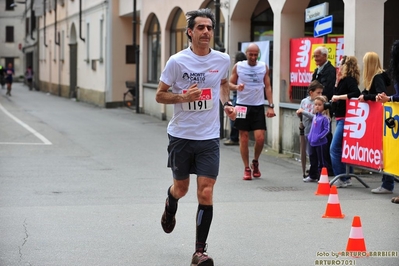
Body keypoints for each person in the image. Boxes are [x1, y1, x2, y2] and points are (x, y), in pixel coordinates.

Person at [155, 8, 235, 266]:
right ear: (190, 32)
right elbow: (159, 95)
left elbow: (222, 85)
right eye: (200, 28)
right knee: (182, 189)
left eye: (209, 28)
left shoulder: (222, 59)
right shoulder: (177, 61)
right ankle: (170, 203)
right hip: (181, 136)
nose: (206, 32)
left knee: (206, 191)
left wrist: (228, 104)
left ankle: (199, 252)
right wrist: (182, 97)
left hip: (209, 137)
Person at [229, 43, 276, 180]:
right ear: (246, 53)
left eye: (256, 55)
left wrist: (271, 105)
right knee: (243, 138)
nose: (254, 57)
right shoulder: (239, 66)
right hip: (242, 106)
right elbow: (229, 84)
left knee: (260, 138)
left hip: (258, 106)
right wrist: (238, 86)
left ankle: (255, 161)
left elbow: (267, 87)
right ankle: (246, 168)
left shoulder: (263, 67)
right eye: (251, 54)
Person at [357, 52, 394, 195]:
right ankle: (387, 182)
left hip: (381, 118)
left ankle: (387, 183)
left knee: (385, 151)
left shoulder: (377, 77)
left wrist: (365, 96)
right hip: (379, 118)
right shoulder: (375, 77)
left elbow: (380, 96)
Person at [330, 56, 361, 188]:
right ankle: (346, 176)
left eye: (341, 64)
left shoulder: (349, 80)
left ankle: (342, 177)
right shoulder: (342, 80)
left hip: (345, 118)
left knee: (334, 148)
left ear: (346, 65)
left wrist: (339, 97)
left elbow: (356, 93)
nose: (339, 66)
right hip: (340, 117)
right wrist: (337, 83)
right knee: (343, 148)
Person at [312, 46, 335, 176]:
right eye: (314, 56)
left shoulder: (330, 71)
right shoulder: (316, 71)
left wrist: (322, 103)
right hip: (318, 108)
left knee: (325, 135)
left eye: (318, 56)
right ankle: (319, 165)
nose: (316, 59)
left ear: (325, 56)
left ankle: (327, 166)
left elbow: (328, 88)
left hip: (325, 108)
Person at [296, 80, 324, 182]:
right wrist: (299, 113)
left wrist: (304, 112)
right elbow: (301, 111)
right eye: (318, 92)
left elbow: (316, 117)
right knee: (309, 153)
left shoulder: (319, 104)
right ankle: (312, 173)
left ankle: (317, 174)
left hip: (316, 133)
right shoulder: (304, 101)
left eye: (321, 93)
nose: (320, 95)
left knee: (316, 154)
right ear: (311, 92)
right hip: (307, 130)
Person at [306, 95, 332, 182]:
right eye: (316, 104)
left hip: (321, 143)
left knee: (322, 161)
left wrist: (318, 137)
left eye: (319, 105)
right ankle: (312, 175)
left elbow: (326, 130)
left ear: (324, 106)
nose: (317, 106)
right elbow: (313, 128)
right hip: (312, 142)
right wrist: (310, 136)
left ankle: (322, 176)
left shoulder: (325, 118)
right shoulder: (315, 117)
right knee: (313, 159)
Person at [224, 51, 247, 146]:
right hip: (245, 97)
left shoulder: (238, 69)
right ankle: (239, 137)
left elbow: (229, 84)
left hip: (238, 96)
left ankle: (234, 138)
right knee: (240, 117)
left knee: (234, 117)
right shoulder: (247, 69)